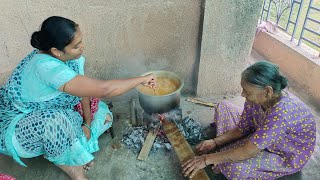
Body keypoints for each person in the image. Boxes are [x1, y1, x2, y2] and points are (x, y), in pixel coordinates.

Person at [0, 16, 155, 180]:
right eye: (76, 46)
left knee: (104, 115)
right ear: (57, 51)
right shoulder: (45, 67)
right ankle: (76, 171)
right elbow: (105, 89)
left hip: (53, 111)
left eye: (81, 41)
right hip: (18, 125)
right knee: (55, 121)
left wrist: (87, 124)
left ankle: (69, 149)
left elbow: (84, 91)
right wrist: (142, 79)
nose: (83, 47)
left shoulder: (62, 57)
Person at [182, 61, 316, 179]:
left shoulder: (282, 114)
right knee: (224, 107)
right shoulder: (256, 100)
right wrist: (215, 142)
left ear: (267, 91)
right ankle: (230, 150)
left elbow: (248, 151)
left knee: (234, 168)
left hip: (282, 153)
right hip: (261, 133)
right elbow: (242, 128)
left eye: (247, 91)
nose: (242, 94)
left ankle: (231, 152)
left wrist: (206, 159)